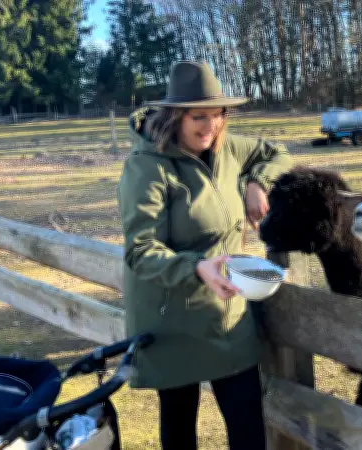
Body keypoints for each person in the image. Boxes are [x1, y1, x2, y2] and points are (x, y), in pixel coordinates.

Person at [116, 60, 293, 449]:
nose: (210, 126)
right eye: (199, 116)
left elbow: (278, 154)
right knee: (180, 428)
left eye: (217, 115)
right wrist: (196, 267)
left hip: (227, 313)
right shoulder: (147, 167)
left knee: (248, 426)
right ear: (174, 116)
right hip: (171, 317)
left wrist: (256, 182)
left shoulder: (228, 148)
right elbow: (140, 251)